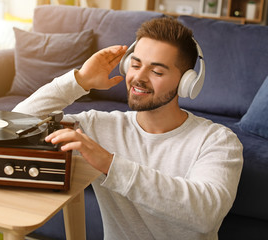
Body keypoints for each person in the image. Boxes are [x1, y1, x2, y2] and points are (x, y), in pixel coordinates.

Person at [13, 17, 243, 240]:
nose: (138, 78)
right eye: (135, 64)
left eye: (157, 71)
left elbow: (206, 214)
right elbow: (14, 123)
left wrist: (109, 163)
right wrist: (80, 81)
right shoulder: (97, 126)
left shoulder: (218, 141)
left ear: (186, 83)